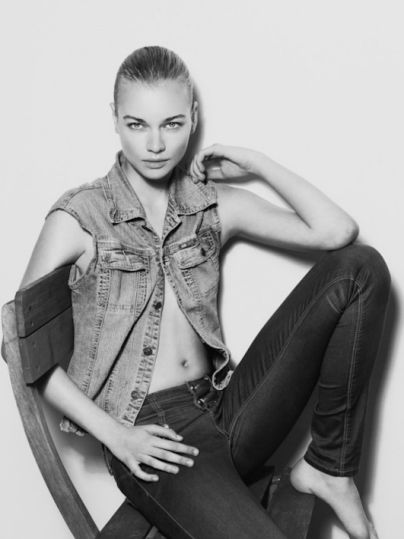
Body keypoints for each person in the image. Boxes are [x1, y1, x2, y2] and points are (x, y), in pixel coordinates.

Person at [19, 45, 391, 539]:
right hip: (157, 437)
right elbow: (19, 347)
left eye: (172, 124)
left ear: (193, 118)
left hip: (224, 405)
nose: (155, 144)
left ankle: (329, 466)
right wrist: (118, 437)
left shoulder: (208, 205)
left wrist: (257, 164)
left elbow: (336, 232)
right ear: (115, 119)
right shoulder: (80, 216)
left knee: (360, 268)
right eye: (137, 124)